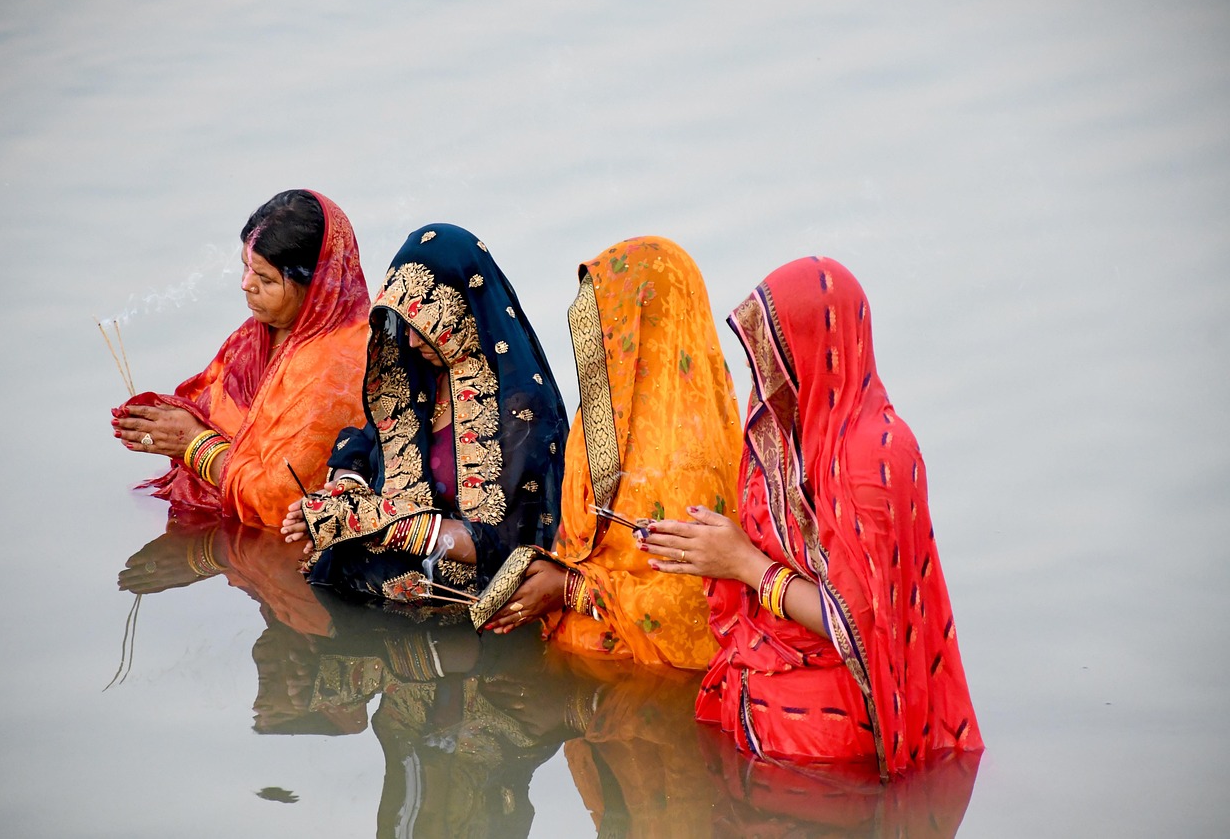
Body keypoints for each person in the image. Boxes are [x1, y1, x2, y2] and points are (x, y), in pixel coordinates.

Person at [642, 257, 983, 778]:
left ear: (817, 348)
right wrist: (703, 546)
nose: (766, 372)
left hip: (836, 745)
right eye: (760, 354)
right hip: (761, 710)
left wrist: (743, 564)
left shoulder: (877, 454)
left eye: (777, 351)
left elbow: (860, 631)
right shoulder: (781, 429)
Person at [281, 224, 568, 614]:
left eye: (427, 328)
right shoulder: (424, 375)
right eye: (409, 328)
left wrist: (375, 522)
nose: (413, 343)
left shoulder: (519, 408)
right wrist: (340, 493)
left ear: (464, 311)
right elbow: (369, 439)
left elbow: (504, 545)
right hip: (382, 593)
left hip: (461, 616)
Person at [484, 237, 741, 671]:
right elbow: (579, 545)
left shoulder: (692, 453)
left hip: (645, 687)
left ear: (649, 323)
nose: (600, 341)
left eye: (610, 322)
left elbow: (696, 612)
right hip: (574, 669)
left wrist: (571, 590)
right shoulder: (598, 423)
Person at [111, 190, 370, 528]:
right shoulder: (261, 332)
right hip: (226, 498)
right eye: (246, 268)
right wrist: (165, 426)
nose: (246, 285)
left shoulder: (338, 364)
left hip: (283, 542)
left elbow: (284, 502)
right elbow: (213, 409)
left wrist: (193, 443)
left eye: (265, 279)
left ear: (319, 285)